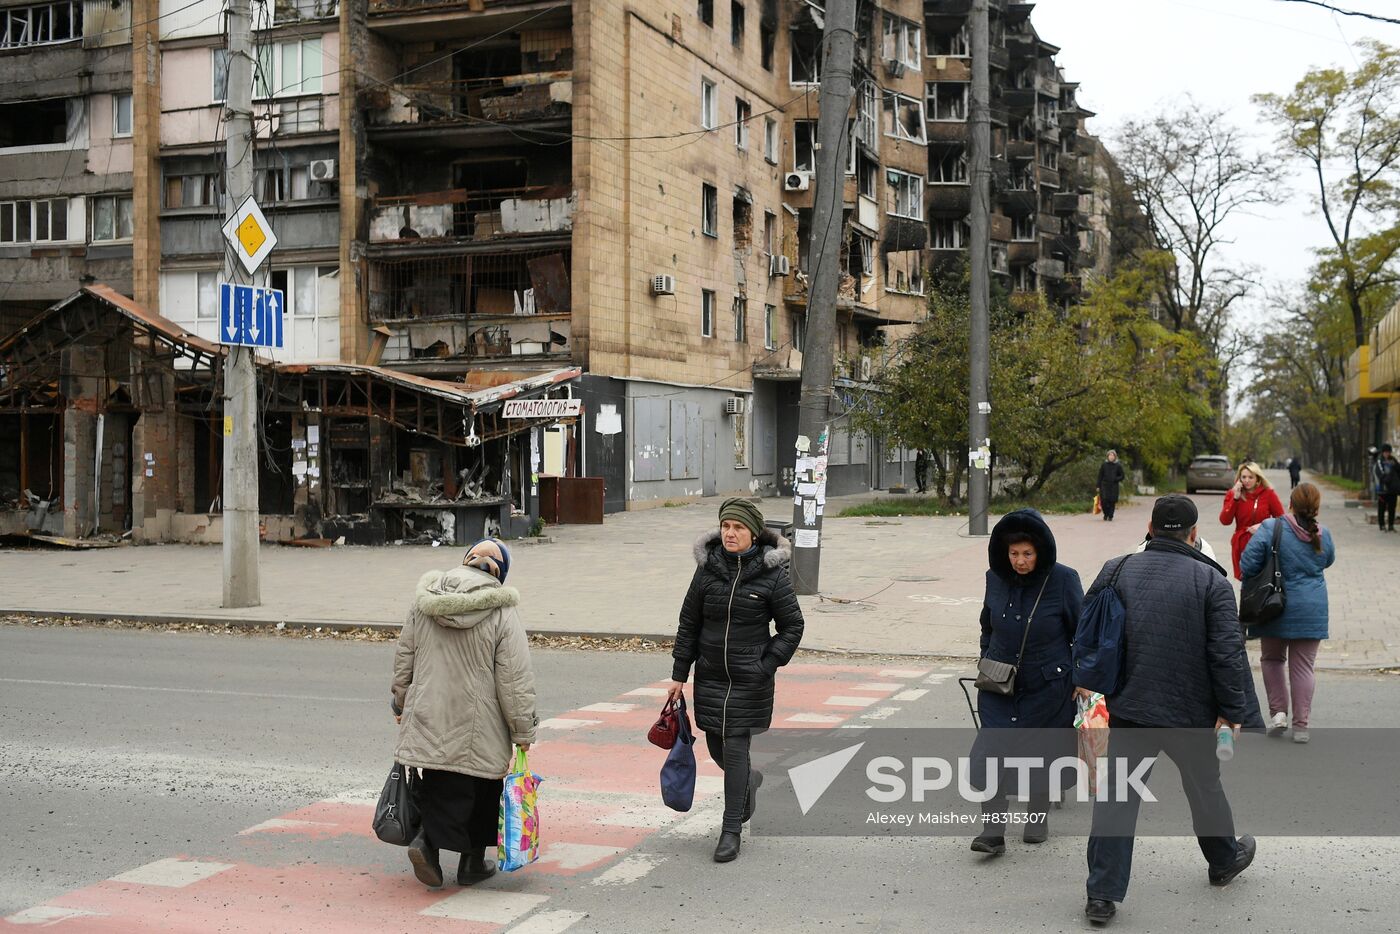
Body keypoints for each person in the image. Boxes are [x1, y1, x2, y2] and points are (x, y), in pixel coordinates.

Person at [1077, 495, 1263, 925]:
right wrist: (1232, 711)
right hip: (1190, 714)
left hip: (1130, 707)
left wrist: (1087, 685)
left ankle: (1102, 896)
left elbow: (1090, 631)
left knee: (1118, 797)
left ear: (1151, 527)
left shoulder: (1116, 568)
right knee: (1204, 789)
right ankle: (1223, 860)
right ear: (1194, 534)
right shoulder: (1212, 581)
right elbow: (1226, 655)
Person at [391, 539, 538, 889]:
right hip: (481, 725)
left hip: (429, 715)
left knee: (439, 779)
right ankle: (469, 860)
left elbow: (404, 656)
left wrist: (399, 701)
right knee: (484, 787)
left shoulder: (425, 599)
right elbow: (515, 679)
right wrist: (523, 731)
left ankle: (427, 842)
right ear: (499, 573)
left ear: (465, 560)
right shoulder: (502, 612)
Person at [669, 498, 804, 863]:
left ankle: (731, 830)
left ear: (753, 533)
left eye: (738, 528)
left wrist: (766, 664)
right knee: (716, 744)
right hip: (711, 673)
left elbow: (793, 627)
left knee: (734, 745)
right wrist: (679, 674)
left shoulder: (772, 574)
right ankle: (750, 780)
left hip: (750, 678)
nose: (730, 533)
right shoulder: (707, 569)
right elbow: (689, 623)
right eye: (725, 526)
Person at [970, 509, 1083, 854]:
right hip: (1000, 685)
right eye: (1014, 554)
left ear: (1041, 552)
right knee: (993, 752)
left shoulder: (1064, 580)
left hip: (1049, 686)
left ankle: (1037, 818)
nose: (1020, 561)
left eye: (1027, 554)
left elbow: (1081, 633)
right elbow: (987, 625)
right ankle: (993, 831)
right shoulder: (995, 577)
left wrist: (1081, 678)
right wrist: (988, 659)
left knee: (1042, 753)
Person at [1241, 482, 1336, 744]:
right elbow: (1328, 560)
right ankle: (1301, 726)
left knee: (1272, 660)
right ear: (1316, 508)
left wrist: (1257, 535)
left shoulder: (1271, 528)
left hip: (1273, 606)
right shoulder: (1324, 534)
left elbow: (1247, 564)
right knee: (1304, 667)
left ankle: (1278, 714)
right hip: (1311, 608)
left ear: (1290, 503)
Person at [1218, 461, 1284, 580]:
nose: (1247, 480)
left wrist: (1264, 526)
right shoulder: (1233, 494)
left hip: (1263, 543)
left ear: (1258, 479)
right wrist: (1235, 498)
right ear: (1239, 479)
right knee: (1246, 581)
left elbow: (1281, 519)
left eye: (1250, 477)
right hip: (1242, 543)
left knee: (1263, 580)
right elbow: (1224, 520)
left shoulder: (1268, 494)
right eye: (1244, 477)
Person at [1371, 444, 1399, 532]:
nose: (1387, 454)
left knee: (1392, 507)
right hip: (1383, 489)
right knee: (1382, 508)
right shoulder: (1380, 461)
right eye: (1386, 452)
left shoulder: (1393, 460)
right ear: (1383, 452)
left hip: (1393, 489)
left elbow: (1399, 470)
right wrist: (1388, 478)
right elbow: (1380, 474)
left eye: (1389, 452)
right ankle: (1382, 525)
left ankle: (1391, 525)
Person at [1096, 451, 1125, 522]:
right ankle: (1106, 514)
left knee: (1112, 501)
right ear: (1107, 456)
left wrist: (1116, 479)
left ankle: (1110, 516)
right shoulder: (1104, 465)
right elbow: (1100, 476)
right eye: (1110, 455)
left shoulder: (1118, 465)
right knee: (1104, 501)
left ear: (1115, 457)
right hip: (1104, 486)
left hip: (1114, 486)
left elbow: (1122, 476)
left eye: (1113, 455)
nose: (1111, 457)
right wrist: (1098, 486)